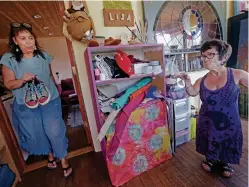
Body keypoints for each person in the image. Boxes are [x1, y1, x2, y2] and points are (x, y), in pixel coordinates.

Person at [0, 22, 72, 177]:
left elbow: (50, 77)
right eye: (23, 38)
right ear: (15, 40)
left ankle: (63, 159)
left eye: (31, 38)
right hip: (26, 105)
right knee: (38, 133)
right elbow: (8, 84)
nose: (28, 42)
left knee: (54, 131)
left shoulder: (43, 56)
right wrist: (22, 80)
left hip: (50, 101)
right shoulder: (9, 59)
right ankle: (50, 155)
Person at [175, 39, 248, 178]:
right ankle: (211, 159)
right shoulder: (202, 80)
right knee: (210, 140)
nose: (205, 59)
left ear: (223, 57)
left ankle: (225, 163)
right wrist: (187, 81)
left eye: (210, 54)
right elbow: (191, 92)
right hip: (207, 122)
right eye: (203, 55)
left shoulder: (237, 74)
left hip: (230, 123)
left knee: (228, 142)